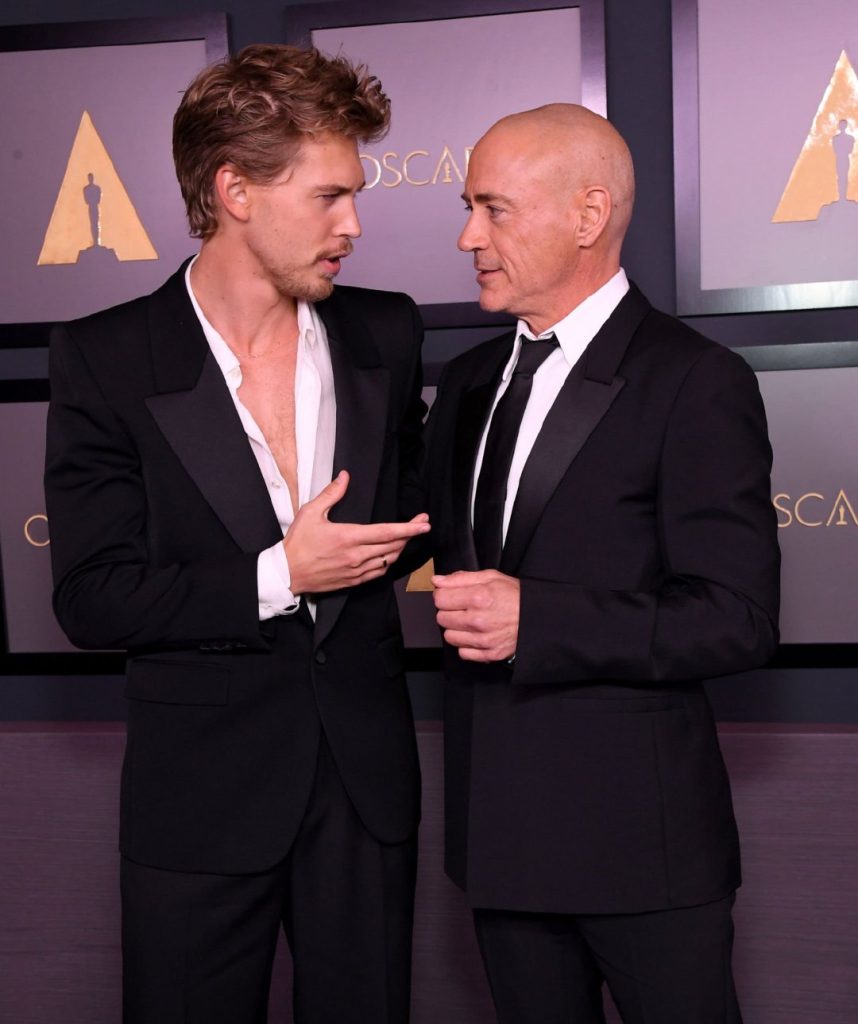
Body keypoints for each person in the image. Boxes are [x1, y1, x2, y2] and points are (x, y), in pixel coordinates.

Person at [44, 44, 429, 1024]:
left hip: (364, 791)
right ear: (236, 190)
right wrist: (278, 571)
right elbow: (92, 594)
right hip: (198, 802)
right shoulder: (110, 356)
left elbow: (430, 519)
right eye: (329, 195)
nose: (354, 225)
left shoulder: (385, 333)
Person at [424, 104, 780, 1023]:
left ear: (587, 217)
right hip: (498, 845)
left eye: (494, 210)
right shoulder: (463, 384)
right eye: (469, 207)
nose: (467, 236)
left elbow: (735, 616)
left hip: (644, 851)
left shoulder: (695, 380)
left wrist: (537, 619)